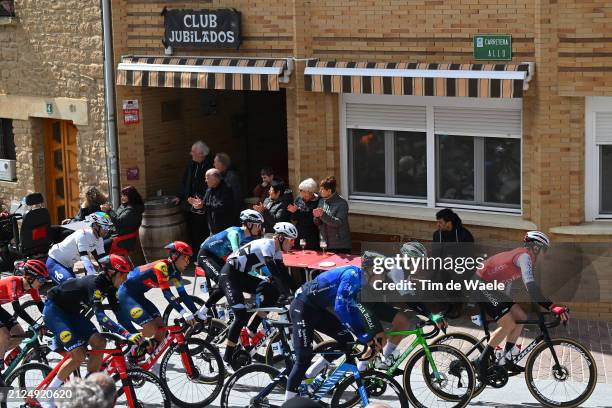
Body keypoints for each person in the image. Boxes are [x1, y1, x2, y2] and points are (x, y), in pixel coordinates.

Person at [42, 254, 141, 408]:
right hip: (55, 310)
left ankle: (87, 386)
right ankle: (48, 397)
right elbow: (101, 317)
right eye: (123, 274)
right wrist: (125, 334)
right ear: (111, 273)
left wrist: (134, 333)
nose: (125, 278)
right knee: (79, 355)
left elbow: (119, 312)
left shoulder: (110, 286)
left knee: (100, 341)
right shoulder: (96, 285)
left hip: (73, 313)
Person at [473, 231, 569, 379]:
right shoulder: (524, 257)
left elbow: (530, 288)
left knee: (520, 316)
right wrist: (552, 306)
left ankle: (506, 359)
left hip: (488, 287)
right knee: (508, 323)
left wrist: (545, 306)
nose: (546, 254)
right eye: (545, 249)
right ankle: (481, 361)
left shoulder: (526, 257)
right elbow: (531, 287)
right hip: (478, 285)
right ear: (536, 248)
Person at [285, 262, 384, 402]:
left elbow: (353, 310)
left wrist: (366, 333)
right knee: (303, 359)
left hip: (317, 309)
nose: (383, 279)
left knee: (347, 341)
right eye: (382, 274)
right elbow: (340, 308)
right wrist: (361, 334)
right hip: (302, 306)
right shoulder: (353, 275)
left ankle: (310, 375)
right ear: (372, 270)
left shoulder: (360, 280)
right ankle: (287, 403)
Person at [220, 222, 298, 370]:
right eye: (291, 239)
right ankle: (227, 358)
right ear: (281, 238)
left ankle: (252, 328)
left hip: (241, 275)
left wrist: (298, 291)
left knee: (272, 292)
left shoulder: (277, 251)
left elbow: (284, 275)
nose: (293, 243)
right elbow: (274, 273)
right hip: (229, 274)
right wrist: (287, 295)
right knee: (241, 315)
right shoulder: (267, 245)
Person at [117, 241, 198, 350]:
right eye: (185, 258)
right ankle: (126, 339)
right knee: (150, 329)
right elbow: (167, 293)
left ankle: (146, 350)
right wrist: (183, 312)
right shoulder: (161, 267)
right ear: (174, 256)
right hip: (126, 294)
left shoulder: (175, 273)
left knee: (161, 328)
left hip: (138, 295)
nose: (188, 262)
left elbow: (183, 294)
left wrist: (196, 312)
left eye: (189, 259)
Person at [197, 209, 264, 318]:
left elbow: (251, 259)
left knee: (232, 280)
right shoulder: (235, 233)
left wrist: (264, 274)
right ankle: (202, 311)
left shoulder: (249, 239)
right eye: (258, 225)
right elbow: (237, 255)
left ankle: (231, 312)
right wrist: (255, 274)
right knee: (224, 281)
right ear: (249, 224)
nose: (260, 228)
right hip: (206, 255)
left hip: (217, 257)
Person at [0, 260, 47, 370]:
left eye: (44, 279)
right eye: (41, 279)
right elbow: (17, 307)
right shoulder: (14, 282)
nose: (43, 282)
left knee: (19, 336)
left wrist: (52, 321)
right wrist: (34, 324)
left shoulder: (32, 288)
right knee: (5, 335)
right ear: (30, 278)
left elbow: (41, 306)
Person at [46, 212, 113, 285]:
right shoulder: (83, 235)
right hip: (55, 262)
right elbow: (85, 259)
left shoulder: (99, 239)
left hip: (68, 265)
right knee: (71, 286)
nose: (107, 230)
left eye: (109, 227)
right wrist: (93, 276)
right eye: (105, 227)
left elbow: (102, 258)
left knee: (77, 290)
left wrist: (112, 271)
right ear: (95, 226)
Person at [432, 208, 475, 318]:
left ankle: (457, 306)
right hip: (443, 267)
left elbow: (468, 256)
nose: (437, 225)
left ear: (449, 223)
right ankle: (446, 307)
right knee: (433, 277)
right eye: (437, 222)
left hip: (462, 266)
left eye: (440, 222)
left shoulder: (464, 235)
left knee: (453, 276)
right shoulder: (437, 235)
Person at [173, 141, 214, 251]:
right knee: (192, 229)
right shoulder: (192, 164)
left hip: (203, 204)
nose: (191, 153)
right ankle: (195, 253)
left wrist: (203, 200)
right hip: (190, 204)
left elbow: (212, 185)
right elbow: (185, 181)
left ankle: (203, 253)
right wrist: (179, 196)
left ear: (201, 153)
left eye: (193, 151)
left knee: (202, 230)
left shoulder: (210, 165)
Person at [100, 185, 144, 253]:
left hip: (123, 239)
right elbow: (116, 218)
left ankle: (107, 263)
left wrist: (109, 211)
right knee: (95, 243)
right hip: (115, 234)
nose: (122, 198)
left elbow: (119, 221)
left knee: (99, 247)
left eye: (124, 196)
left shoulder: (132, 210)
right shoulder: (124, 205)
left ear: (131, 196)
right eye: (122, 195)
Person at [313, 176, 351, 254]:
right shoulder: (321, 201)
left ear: (329, 191)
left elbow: (338, 223)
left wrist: (323, 215)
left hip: (340, 245)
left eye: (322, 189)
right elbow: (318, 223)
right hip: (325, 244)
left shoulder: (342, 203)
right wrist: (316, 217)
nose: (320, 191)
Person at [195, 168, 234, 234]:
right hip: (213, 229)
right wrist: (198, 205)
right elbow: (205, 205)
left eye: (207, 178)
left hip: (225, 229)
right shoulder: (209, 189)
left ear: (215, 179)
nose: (205, 180)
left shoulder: (226, 189)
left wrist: (203, 205)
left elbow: (221, 206)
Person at [288, 178, 321, 250]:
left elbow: (311, 220)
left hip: (312, 234)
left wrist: (298, 212)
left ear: (311, 192)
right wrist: (294, 212)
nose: (302, 196)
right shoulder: (298, 199)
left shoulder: (318, 201)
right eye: (300, 192)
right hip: (299, 232)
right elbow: (293, 218)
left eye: (305, 194)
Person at [214, 152, 244, 222]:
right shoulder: (220, 176)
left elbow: (237, 198)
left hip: (230, 216)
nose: (214, 164)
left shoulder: (232, 177)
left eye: (215, 162)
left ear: (221, 164)